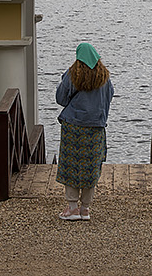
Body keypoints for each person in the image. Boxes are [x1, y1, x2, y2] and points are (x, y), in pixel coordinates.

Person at [55, 41, 114, 221]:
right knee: (91, 166)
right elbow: (108, 98)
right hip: (95, 128)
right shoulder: (105, 78)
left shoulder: (73, 75)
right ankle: (86, 209)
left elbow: (61, 99)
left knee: (71, 165)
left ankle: (72, 207)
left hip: (73, 126)